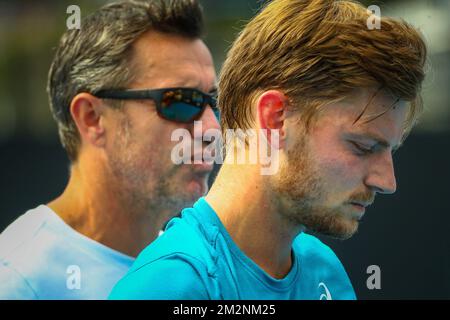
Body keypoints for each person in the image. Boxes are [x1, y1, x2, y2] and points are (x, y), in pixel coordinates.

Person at [109, 0, 427, 300]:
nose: (387, 182)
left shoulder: (324, 270)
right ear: (275, 118)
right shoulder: (169, 285)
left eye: (389, 150)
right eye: (363, 146)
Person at [0, 0, 219, 299]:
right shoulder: (19, 279)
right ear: (92, 118)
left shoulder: (196, 263)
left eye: (212, 102)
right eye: (181, 101)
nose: (211, 130)